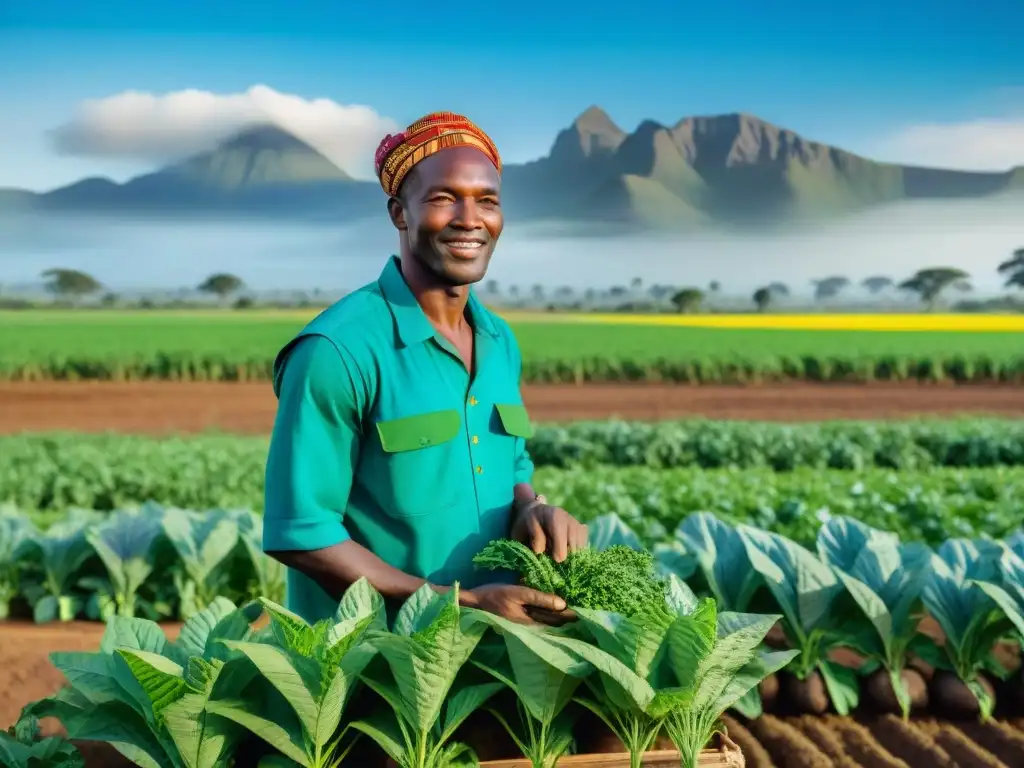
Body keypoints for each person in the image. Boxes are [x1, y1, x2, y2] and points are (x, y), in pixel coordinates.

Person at [262, 111, 589, 626]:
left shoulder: (499, 341)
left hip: (493, 656)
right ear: (400, 213)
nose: (469, 218)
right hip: (371, 668)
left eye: (487, 200)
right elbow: (302, 535)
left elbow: (512, 466)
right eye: (443, 198)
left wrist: (531, 508)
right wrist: (461, 602)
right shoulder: (337, 350)